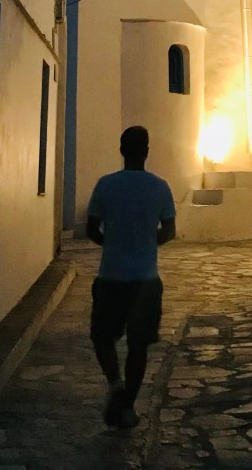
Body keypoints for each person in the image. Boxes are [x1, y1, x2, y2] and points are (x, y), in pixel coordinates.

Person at [86, 125, 176, 429]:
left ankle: (115, 384)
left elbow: (91, 228)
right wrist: (149, 241)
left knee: (102, 337)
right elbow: (170, 231)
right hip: (146, 279)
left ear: (121, 150)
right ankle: (127, 408)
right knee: (139, 346)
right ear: (147, 151)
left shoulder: (105, 185)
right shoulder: (160, 187)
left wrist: (111, 243)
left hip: (111, 275)